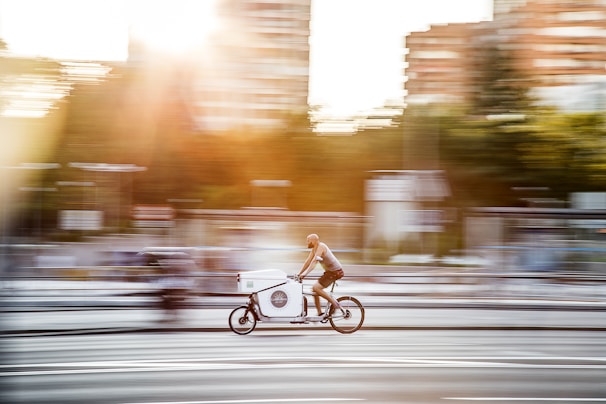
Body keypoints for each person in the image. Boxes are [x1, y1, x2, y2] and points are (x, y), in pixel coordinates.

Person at [296, 234, 345, 317]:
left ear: (314, 240)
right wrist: (299, 273)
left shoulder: (321, 247)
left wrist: (305, 274)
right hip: (329, 272)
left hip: (335, 272)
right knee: (314, 290)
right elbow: (307, 262)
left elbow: (314, 262)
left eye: (308, 240)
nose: (307, 242)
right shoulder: (314, 250)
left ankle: (335, 304)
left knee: (316, 287)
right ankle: (319, 313)